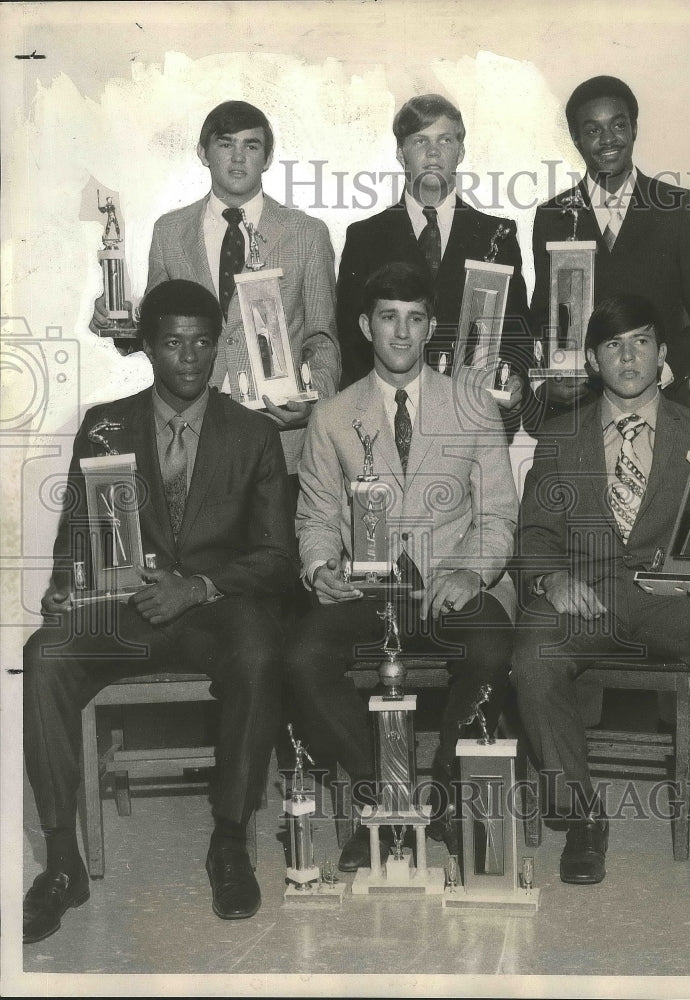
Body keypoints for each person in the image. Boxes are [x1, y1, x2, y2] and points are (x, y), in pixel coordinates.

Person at [23, 280, 297, 942]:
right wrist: (65, 584)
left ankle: (229, 842)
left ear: (219, 345)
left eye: (203, 343)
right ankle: (63, 861)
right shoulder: (104, 423)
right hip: (130, 607)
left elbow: (275, 559)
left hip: (215, 612)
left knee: (262, 651)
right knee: (46, 652)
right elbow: (78, 537)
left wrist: (199, 585)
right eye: (173, 343)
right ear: (147, 347)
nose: (189, 358)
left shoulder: (253, 433)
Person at [511, 293, 690, 890]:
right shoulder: (559, 435)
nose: (629, 356)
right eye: (613, 345)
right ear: (594, 360)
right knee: (532, 654)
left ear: (663, 353)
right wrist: (553, 577)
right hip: (587, 595)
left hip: (671, 599)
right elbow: (534, 535)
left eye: (642, 341)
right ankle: (581, 817)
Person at [286, 261, 519, 871]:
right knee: (302, 657)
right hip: (369, 588)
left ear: (432, 327)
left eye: (415, 320)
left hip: (449, 581)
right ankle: (380, 794)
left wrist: (472, 572)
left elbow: (498, 517)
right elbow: (313, 516)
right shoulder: (333, 415)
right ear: (366, 325)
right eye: (388, 318)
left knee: (494, 648)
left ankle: (441, 785)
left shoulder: (473, 405)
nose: (401, 333)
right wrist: (318, 568)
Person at [91, 99, 340, 499]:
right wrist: (119, 323)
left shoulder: (306, 233)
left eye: (251, 145)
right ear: (203, 153)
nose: (238, 157)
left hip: (281, 436)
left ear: (269, 156)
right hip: (191, 432)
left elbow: (323, 338)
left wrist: (315, 399)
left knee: (275, 559)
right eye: (225, 144)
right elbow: (160, 333)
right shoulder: (170, 231)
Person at [529, 75, 690, 417]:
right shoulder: (553, 216)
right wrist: (547, 379)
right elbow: (543, 316)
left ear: (634, 129)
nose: (608, 139)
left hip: (662, 406)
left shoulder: (679, 208)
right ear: (576, 138)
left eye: (618, 125)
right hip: (578, 409)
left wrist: (662, 369)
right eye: (593, 130)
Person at [336, 94, 534, 436]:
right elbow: (353, 344)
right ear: (401, 153)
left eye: (445, 139)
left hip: (475, 421)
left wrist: (514, 381)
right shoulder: (364, 237)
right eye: (420, 140)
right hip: (389, 421)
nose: (432, 152)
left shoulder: (497, 234)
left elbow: (518, 335)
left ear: (460, 151)